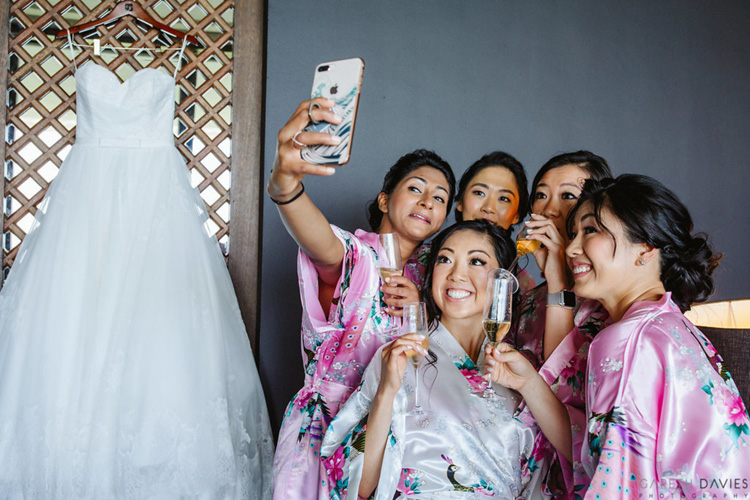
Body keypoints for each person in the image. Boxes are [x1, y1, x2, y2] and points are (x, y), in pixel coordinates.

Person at [489, 174, 750, 497]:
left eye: (591, 230)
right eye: (573, 234)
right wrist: (529, 382)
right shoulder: (668, 324)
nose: (571, 248)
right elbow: (599, 453)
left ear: (646, 247)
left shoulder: (626, 340)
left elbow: (617, 487)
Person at [268, 98, 456, 499]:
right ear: (386, 200)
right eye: (416, 189)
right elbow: (322, 244)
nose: (428, 201)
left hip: (394, 447)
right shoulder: (358, 259)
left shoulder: (428, 285)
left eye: (440, 198)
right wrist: (286, 187)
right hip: (326, 438)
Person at [321, 220, 553, 499]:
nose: (456, 274)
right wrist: (386, 390)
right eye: (445, 259)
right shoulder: (400, 355)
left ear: (503, 281)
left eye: (476, 261)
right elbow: (358, 486)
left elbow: (559, 469)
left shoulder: (520, 369)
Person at [502, 150, 613, 497]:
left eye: (567, 196)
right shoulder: (527, 298)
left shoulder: (610, 302)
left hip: (576, 475)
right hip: (515, 465)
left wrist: (558, 284)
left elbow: (561, 388)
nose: (549, 209)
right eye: (541, 195)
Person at [454, 151, 536, 291]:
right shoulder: (421, 262)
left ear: (517, 215)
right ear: (460, 202)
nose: (489, 208)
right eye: (479, 193)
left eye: (504, 198)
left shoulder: (522, 284)